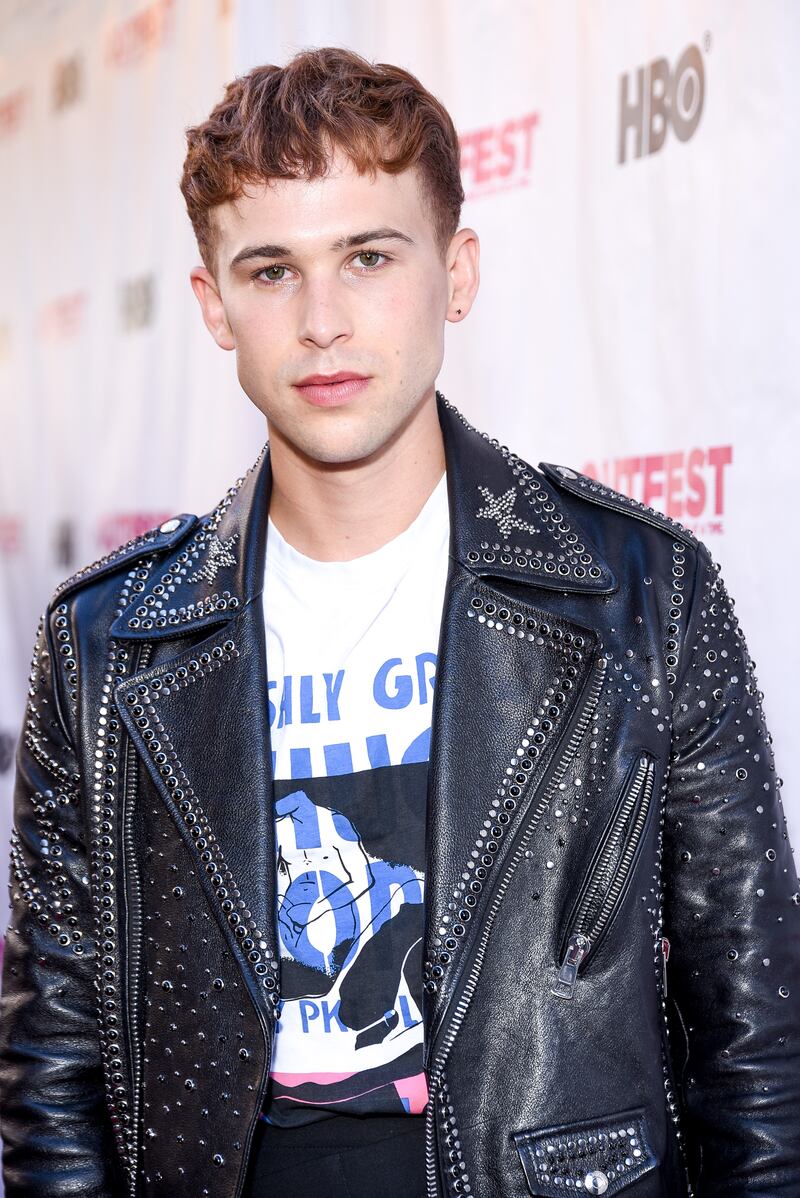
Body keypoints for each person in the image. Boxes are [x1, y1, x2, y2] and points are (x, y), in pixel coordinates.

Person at [0, 45, 798, 1198]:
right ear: (211, 304)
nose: (322, 321)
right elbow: (54, 1065)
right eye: (271, 271)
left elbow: (753, 1029)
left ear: (455, 273)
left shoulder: (635, 593)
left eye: (367, 257)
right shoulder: (109, 643)